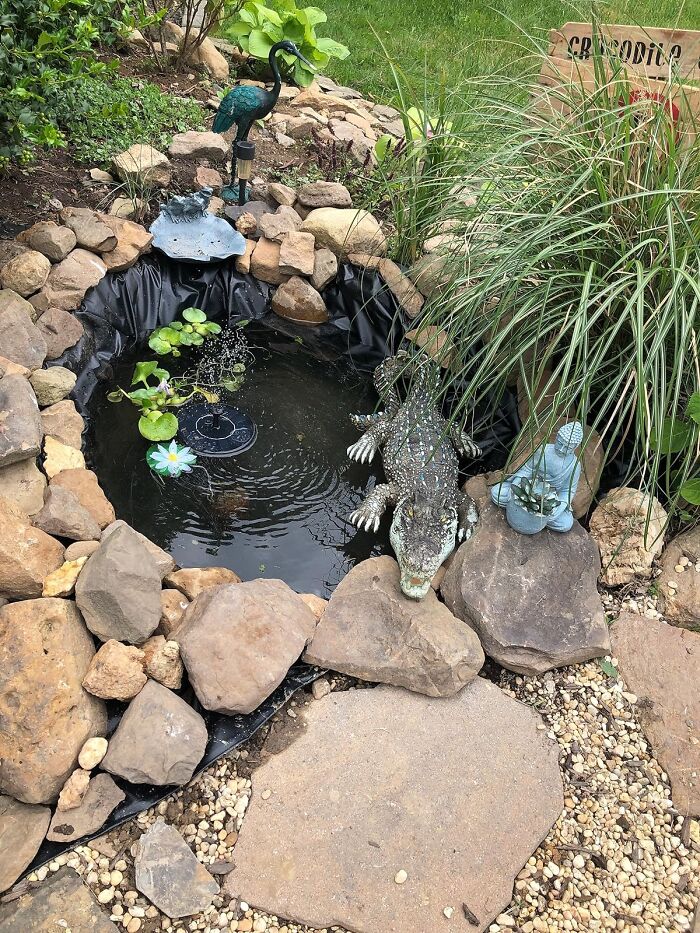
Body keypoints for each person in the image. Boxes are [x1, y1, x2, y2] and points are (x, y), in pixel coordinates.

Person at [490, 421, 584, 532]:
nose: (561, 449)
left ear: (575, 447)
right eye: (559, 443)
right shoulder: (543, 451)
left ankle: (536, 516)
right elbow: (526, 471)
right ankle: (532, 516)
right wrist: (515, 486)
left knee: (565, 524)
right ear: (556, 437)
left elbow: (567, 491)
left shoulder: (574, 465)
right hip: (527, 490)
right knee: (496, 492)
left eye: (567, 447)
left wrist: (559, 508)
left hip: (549, 499)